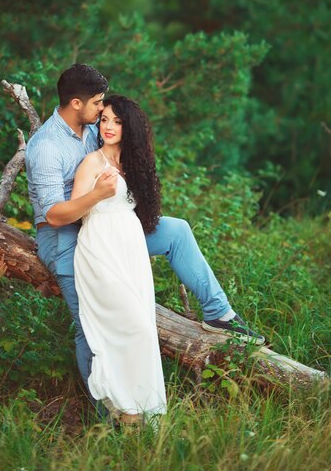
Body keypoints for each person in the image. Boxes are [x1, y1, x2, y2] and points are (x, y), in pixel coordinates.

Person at [25, 64, 264, 400]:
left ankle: (219, 314)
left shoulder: (94, 129)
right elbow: (54, 215)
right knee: (90, 328)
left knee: (176, 231)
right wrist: (96, 196)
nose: (102, 111)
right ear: (76, 103)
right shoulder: (47, 146)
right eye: (97, 103)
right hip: (65, 239)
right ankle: (106, 415)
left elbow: (121, 150)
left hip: (107, 225)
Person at [71, 95, 167, 424]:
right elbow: (75, 210)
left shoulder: (132, 163)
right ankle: (126, 409)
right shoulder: (92, 163)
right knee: (133, 328)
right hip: (100, 250)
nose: (108, 127)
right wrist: (97, 193)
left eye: (117, 121)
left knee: (142, 330)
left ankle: (137, 416)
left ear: (130, 128)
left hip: (130, 252)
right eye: (105, 119)